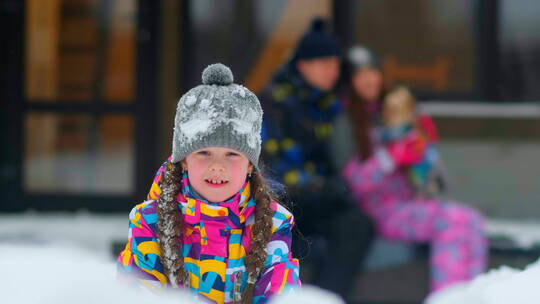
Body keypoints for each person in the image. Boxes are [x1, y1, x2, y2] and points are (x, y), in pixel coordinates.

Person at [117, 64, 300, 304]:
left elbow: (279, 295)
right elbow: (138, 294)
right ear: (183, 161)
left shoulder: (273, 223)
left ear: (249, 165)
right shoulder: (149, 222)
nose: (217, 166)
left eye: (231, 154)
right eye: (203, 152)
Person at [342, 45, 487, 293]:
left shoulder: (391, 111)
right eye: (360, 75)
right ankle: (448, 297)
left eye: (373, 72)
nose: (369, 80)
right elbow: (353, 183)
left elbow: (434, 180)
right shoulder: (346, 121)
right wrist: (390, 156)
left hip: (408, 204)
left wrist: (425, 148)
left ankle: (473, 295)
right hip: (376, 211)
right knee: (451, 220)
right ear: (350, 81)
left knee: (472, 220)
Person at [259, 18, 374, 301]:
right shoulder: (273, 103)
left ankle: (325, 298)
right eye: (324, 63)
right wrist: (324, 187)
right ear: (303, 65)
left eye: (335, 64)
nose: (332, 71)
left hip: (321, 199)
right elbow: (270, 165)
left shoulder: (330, 103)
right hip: (281, 199)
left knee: (357, 224)